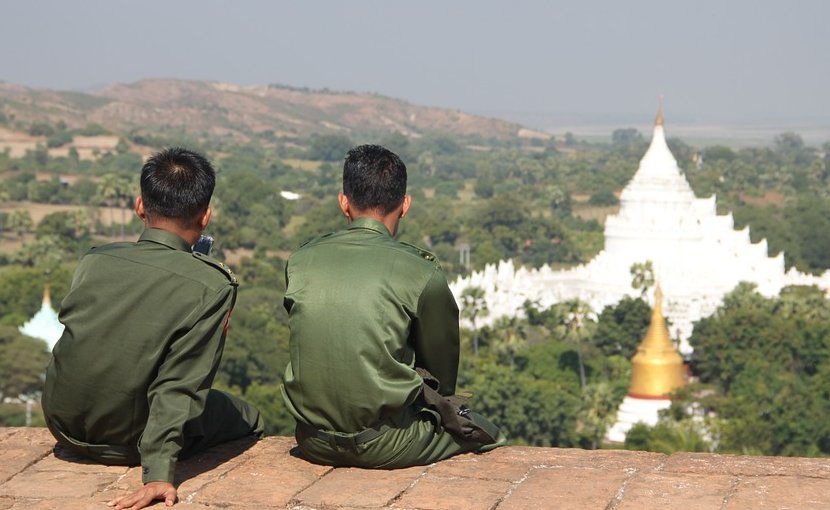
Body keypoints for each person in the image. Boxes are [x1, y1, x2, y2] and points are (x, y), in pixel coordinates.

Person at [42, 148, 263, 510]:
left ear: (140, 206)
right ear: (205, 216)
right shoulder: (212, 285)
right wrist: (159, 472)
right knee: (246, 416)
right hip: (124, 440)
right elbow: (179, 384)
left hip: (62, 426)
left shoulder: (95, 260)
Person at [281, 144, 505, 469]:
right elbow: (441, 374)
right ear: (405, 205)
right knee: (488, 432)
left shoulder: (300, 260)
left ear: (344, 202)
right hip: (385, 443)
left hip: (311, 439)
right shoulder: (421, 272)